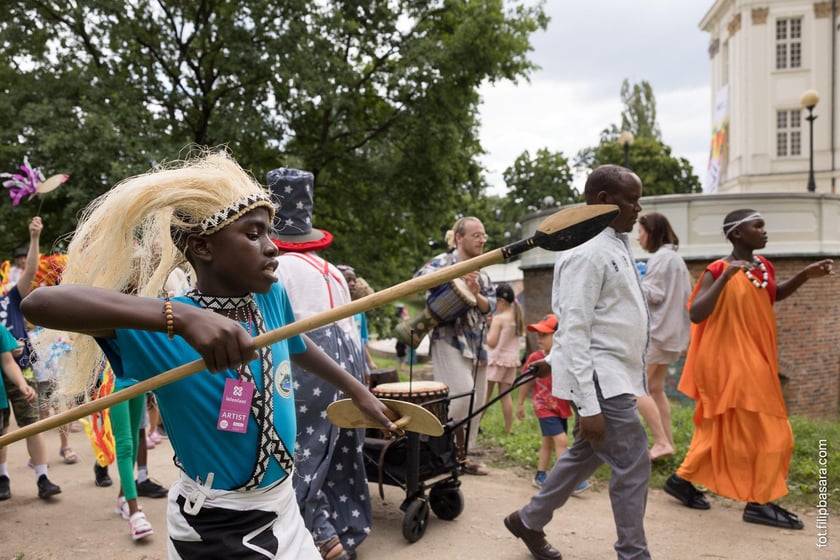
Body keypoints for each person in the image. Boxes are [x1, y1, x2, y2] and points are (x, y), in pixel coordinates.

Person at [21, 151, 395, 559]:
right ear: (202, 246)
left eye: (270, 234)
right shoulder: (160, 330)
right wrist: (180, 316)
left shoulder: (270, 296)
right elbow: (40, 304)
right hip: (217, 528)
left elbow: (297, 346)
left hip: (284, 506)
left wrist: (356, 389)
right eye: (254, 235)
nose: (272, 248)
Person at [504, 164, 650, 560]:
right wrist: (588, 406)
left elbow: (583, 326)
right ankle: (634, 554)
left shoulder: (616, 245)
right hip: (602, 382)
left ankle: (529, 520)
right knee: (633, 465)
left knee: (584, 454)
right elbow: (577, 327)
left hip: (610, 374)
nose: (639, 209)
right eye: (631, 200)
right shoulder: (588, 254)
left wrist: (551, 360)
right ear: (603, 201)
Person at [663, 209, 834, 530]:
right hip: (729, 363)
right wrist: (726, 278)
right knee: (774, 432)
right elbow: (697, 313)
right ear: (738, 233)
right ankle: (759, 502)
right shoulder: (718, 269)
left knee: (723, 429)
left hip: (755, 357)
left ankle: (681, 479)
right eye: (758, 226)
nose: (764, 231)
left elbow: (772, 295)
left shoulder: (764, 268)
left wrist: (803, 276)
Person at [268, 167, 371, 560]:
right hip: (347, 362)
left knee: (303, 449)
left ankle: (319, 533)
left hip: (308, 362)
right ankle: (345, 526)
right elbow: (351, 327)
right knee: (343, 447)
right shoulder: (333, 272)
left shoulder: (278, 270)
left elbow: (279, 328)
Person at [416, 216, 496, 476]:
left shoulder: (483, 269)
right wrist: (456, 279)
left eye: (484, 235)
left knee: (476, 402)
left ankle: (461, 458)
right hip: (448, 338)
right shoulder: (443, 261)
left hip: (477, 342)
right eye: (476, 235)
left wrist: (475, 294)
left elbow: (490, 306)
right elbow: (419, 281)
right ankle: (434, 450)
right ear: (459, 238)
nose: (482, 240)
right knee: (460, 397)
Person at [0, 216, 61, 500]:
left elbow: (31, 272)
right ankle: (3, 477)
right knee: (1, 429)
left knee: (32, 423)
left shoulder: (10, 297)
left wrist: (35, 238)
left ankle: (42, 476)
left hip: (21, 368)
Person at [635, 212, 691, 460]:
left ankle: (659, 442)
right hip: (674, 334)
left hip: (657, 333)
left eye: (641, 232)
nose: (638, 237)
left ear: (652, 232)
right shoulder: (676, 259)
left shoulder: (660, 258)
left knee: (635, 387)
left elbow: (654, 294)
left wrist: (635, 279)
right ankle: (667, 442)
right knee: (656, 389)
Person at [517, 314, 590, 494]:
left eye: (544, 335)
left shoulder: (565, 358)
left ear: (558, 337)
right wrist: (519, 403)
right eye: (538, 335)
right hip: (544, 406)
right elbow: (527, 382)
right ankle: (566, 480)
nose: (539, 339)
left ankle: (540, 476)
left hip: (560, 408)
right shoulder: (535, 357)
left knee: (548, 442)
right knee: (562, 441)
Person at [28, 325, 78, 464]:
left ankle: (65, 446)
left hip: (58, 375)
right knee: (41, 416)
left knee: (61, 412)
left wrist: (69, 344)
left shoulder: (56, 328)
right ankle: (38, 455)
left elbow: (68, 345)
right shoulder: (28, 333)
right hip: (39, 378)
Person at [483, 282, 523, 434]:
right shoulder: (516, 317)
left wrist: (486, 331)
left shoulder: (499, 319)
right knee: (505, 396)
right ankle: (509, 428)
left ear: (501, 301)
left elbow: (492, 343)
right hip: (510, 361)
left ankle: (475, 425)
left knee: (485, 396)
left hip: (496, 360)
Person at [338, 265, 378, 381]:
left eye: (354, 280)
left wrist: (368, 363)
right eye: (348, 280)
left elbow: (361, 342)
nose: (352, 283)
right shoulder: (334, 310)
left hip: (358, 361)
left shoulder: (359, 313)